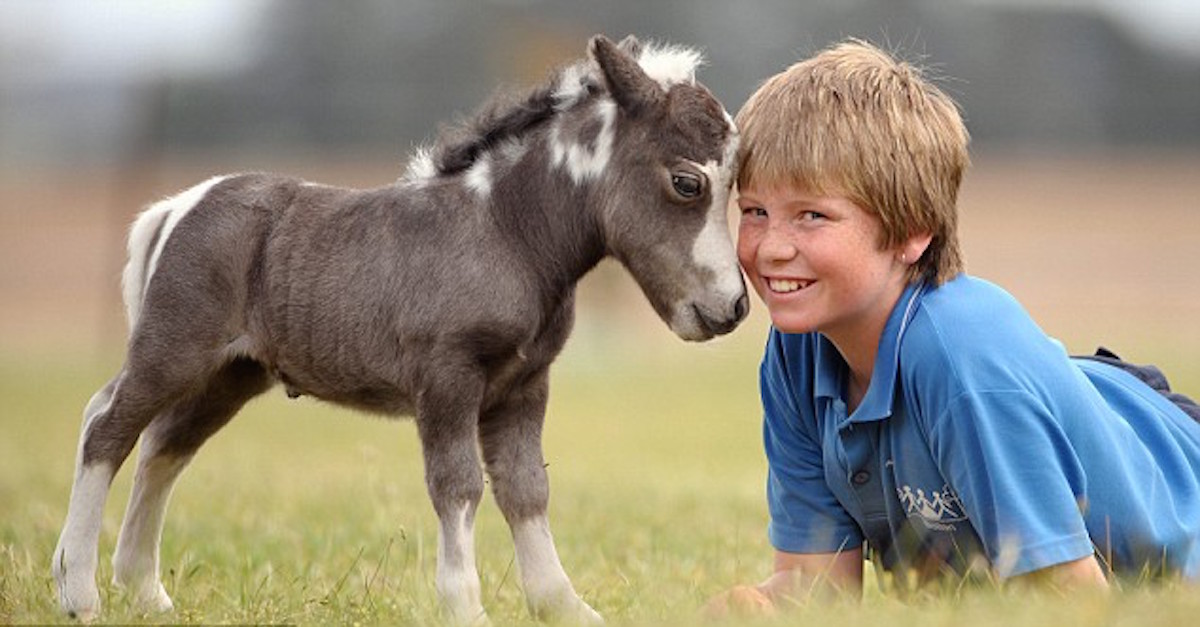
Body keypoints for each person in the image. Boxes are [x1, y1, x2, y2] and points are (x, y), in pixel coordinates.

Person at [708, 38, 1200, 615]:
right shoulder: (797, 352)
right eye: (754, 211)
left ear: (912, 230)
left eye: (812, 215)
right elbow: (818, 593)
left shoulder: (961, 358)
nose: (770, 247)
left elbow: (1074, 605)